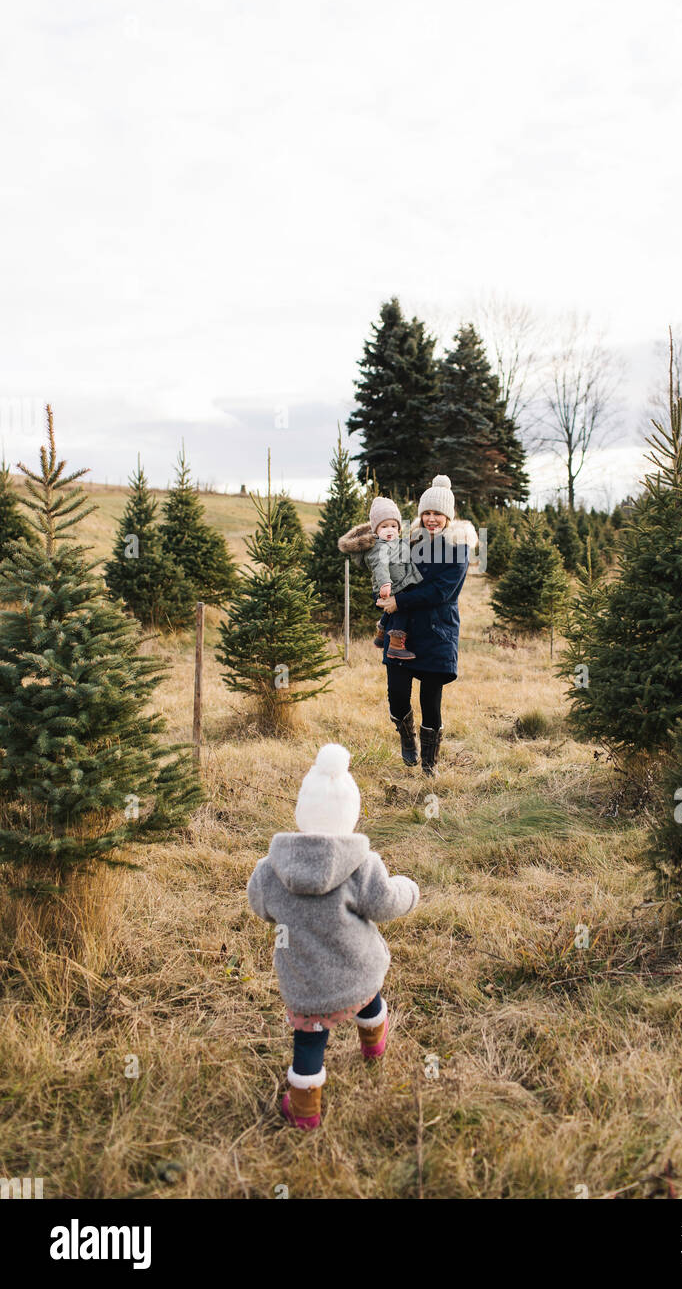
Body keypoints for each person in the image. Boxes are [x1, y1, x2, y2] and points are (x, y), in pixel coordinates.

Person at [247, 743, 420, 1130]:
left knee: (309, 1044)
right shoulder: (363, 866)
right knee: (369, 999)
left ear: (301, 812)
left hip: (306, 989)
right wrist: (410, 889)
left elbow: (260, 906)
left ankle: (305, 1111)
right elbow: (385, 903)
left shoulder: (270, 870)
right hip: (357, 975)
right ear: (352, 816)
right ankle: (374, 1044)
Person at [376, 475, 477, 776]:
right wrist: (382, 596)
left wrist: (400, 603)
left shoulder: (459, 547)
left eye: (438, 514)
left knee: (430, 701)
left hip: (437, 632)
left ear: (448, 516)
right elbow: (388, 574)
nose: (432, 519)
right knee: (396, 698)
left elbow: (442, 592)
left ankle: (430, 765)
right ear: (421, 514)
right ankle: (407, 738)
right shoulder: (408, 542)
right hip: (402, 632)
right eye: (427, 513)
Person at [338, 495, 423, 660]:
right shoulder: (378, 548)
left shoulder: (394, 541)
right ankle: (395, 645)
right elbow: (380, 567)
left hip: (397, 584)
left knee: (395, 608)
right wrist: (385, 584)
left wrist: (416, 540)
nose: (389, 529)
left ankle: (382, 632)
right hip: (391, 586)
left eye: (393, 525)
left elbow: (404, 545)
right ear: (375, 530)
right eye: (384, 526)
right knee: (402, 610)